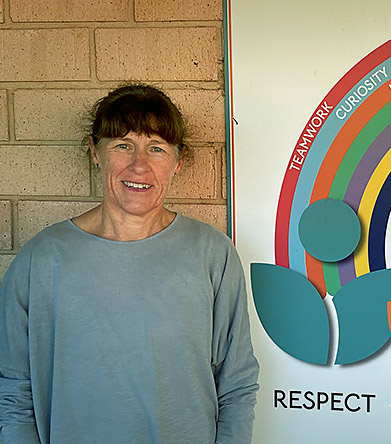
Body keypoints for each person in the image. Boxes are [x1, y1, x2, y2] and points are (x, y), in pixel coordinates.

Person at [0, 84, 260, 444]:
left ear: (178, 162)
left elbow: (237, 384)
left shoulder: (211, 254)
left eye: (157, 148)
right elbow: (13, 391)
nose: (139, 164)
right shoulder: (42, 259)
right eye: (123, 145)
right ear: (95, 152)